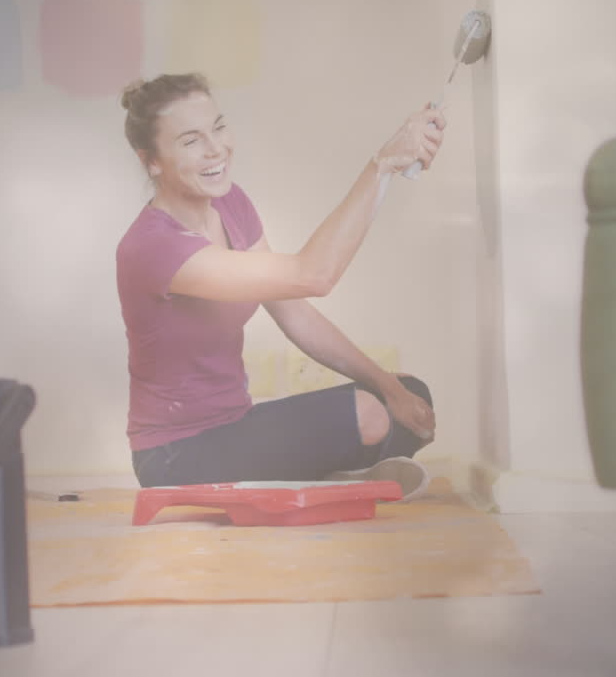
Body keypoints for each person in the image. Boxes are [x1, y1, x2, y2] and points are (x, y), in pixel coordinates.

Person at [115, 73, 447, 500]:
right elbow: (314, 275)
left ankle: (316, 477)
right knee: (368, 414)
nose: (216, 148)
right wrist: (382, 164)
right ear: (152, 160)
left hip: (237, 423)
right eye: (190, 140)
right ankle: (325, 477)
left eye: (218, 127)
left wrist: (389, 387)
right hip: (175, 454)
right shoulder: (152, 246)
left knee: (406, 392)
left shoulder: (231, 204)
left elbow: (295, 313)